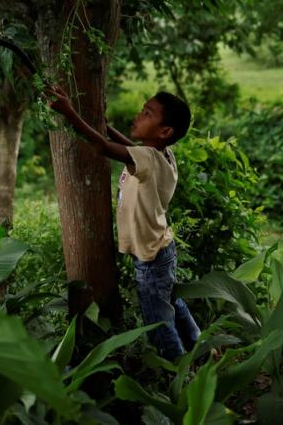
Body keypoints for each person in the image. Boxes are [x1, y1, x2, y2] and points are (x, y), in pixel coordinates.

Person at [47, 86, 201, 362]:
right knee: (172, 303)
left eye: (147, 113)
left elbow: (103, 148)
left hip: (150, 259)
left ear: (164, 132)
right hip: (162, 248)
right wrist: (106, 127)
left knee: (158, 321)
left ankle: (178, 373)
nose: (138, 115)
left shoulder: (146, 159)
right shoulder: (161, 155)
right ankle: (201, 347)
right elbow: (125, 149)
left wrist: (69, 113)